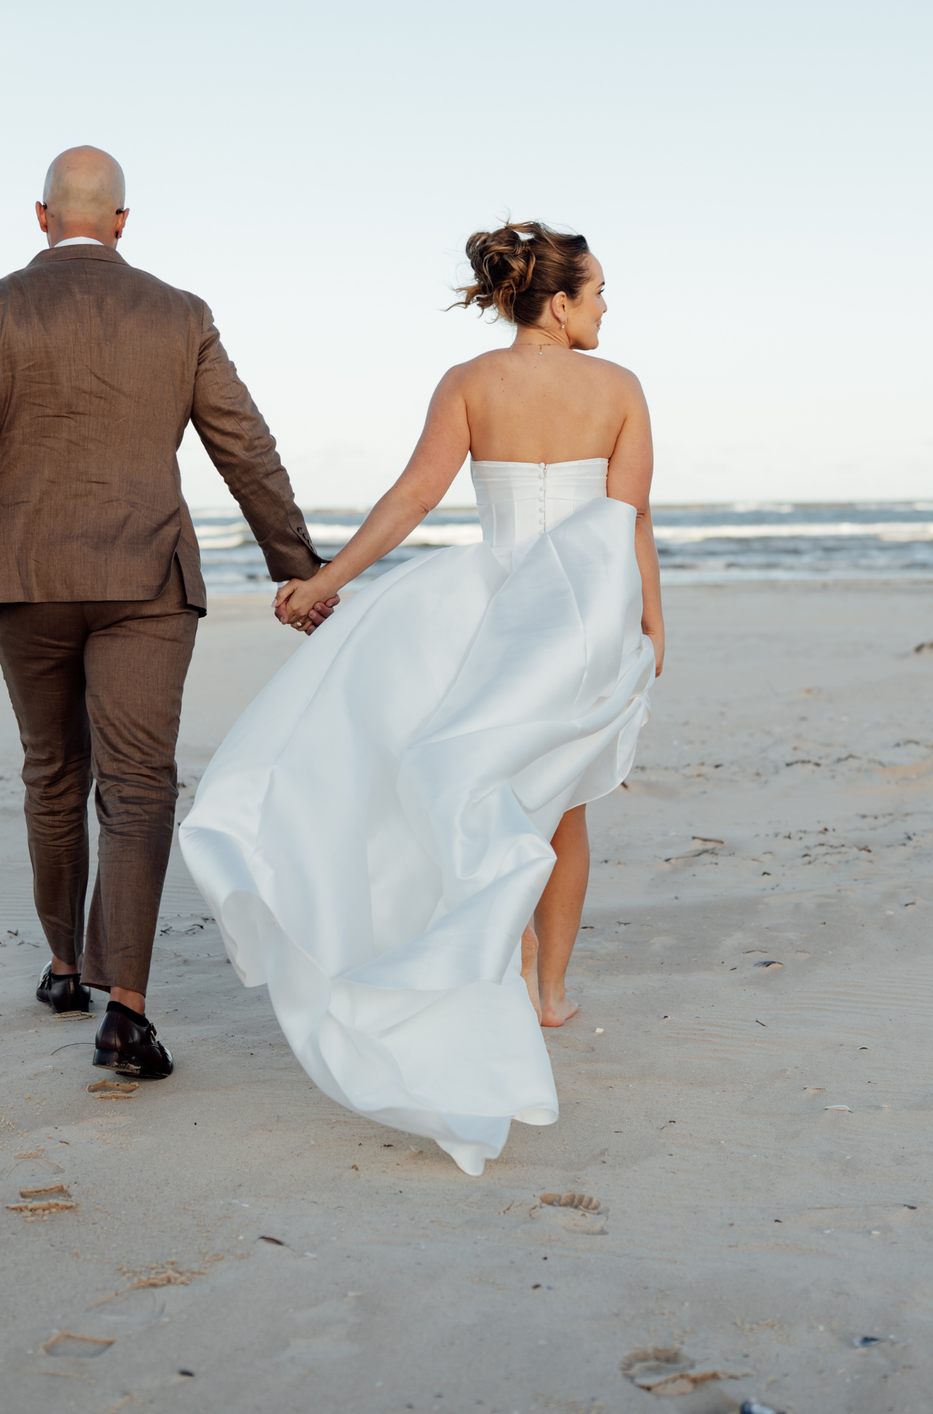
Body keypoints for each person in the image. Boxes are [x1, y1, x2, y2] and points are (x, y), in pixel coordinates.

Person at [180, 219, 662, 1174]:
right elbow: (630, 518)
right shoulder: (620, 390)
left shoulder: (469, 384)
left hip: (481, 605)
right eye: (599, 289)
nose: (608, 304)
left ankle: (491, 955)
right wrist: (651, 626)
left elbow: (412, 498)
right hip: (574, 619)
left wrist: (327, 580)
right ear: (558, 303)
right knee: (557, 800)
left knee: (462, 783)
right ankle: (549, 992)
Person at [0, 146, 325, 1080]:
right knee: (139, 785)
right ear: (121, 221)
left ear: (41, 218)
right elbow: (245, 445)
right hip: (145, 580)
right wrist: (297, 566)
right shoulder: (180, 313)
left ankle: (66, 966)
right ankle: (127, 1012)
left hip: (27, 574)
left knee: (53, 772)